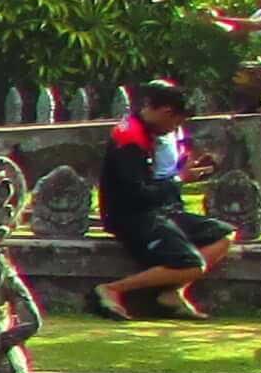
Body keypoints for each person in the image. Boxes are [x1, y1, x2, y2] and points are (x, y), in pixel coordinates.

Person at [94, 75, 239, 320]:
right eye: (175, 122)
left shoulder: (151, 134)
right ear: (165, 111)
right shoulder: (128, 138)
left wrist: (182, 172)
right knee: (190, 264)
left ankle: (172, 292)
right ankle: (111, 289)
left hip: (159, 210)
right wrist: (179, 179)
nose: (174, 129)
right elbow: (135, 193)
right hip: (132, 215)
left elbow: (159, 178)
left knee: (224, 235)